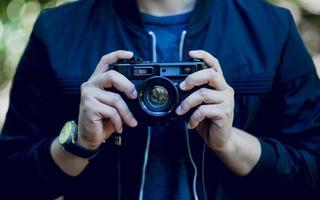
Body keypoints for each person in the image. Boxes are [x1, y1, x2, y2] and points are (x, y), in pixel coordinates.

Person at [0, 0, 319, 199]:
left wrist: (231, 143)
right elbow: (12, 183)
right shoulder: (56, 31)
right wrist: (80, 142)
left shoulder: (272, 28)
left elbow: (312, 175)